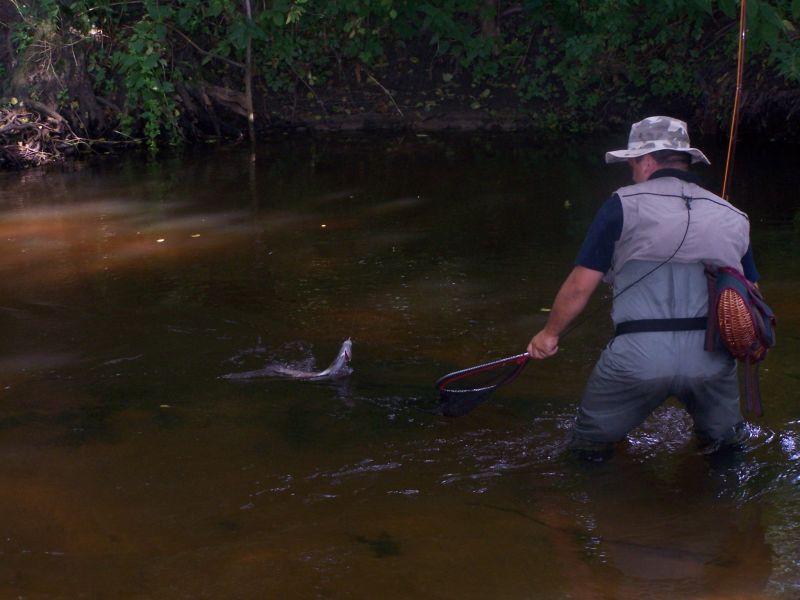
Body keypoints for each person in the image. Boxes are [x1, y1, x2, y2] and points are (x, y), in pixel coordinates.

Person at [527, 116, 758, 455]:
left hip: (637, 359)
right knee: (726, 449)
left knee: (588, 447)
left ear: (647, 161)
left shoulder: (621, 204)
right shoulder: (734, 215)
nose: (632, 173)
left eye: (632, 164)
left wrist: (549, 334)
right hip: (711, 360)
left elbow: (579, 287)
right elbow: (752, 296)